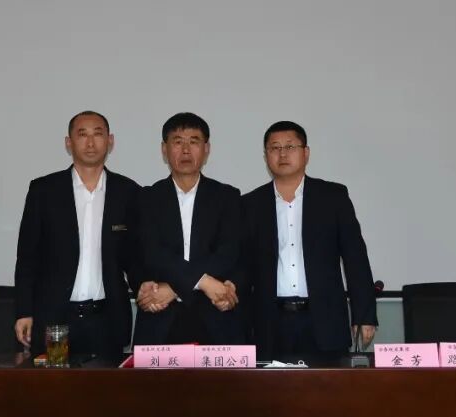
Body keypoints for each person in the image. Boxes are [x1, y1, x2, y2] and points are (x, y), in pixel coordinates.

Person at [242, 121, 377, 360]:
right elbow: (242, 265)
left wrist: (363, 315)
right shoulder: (250, 204)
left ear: (306, 153)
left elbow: (355, 257)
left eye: (290, 146)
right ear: (266, 156)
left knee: (327, 384)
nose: (282, 154)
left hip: (324, 319)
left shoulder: (333, 197)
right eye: (275, 148)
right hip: (270, 322)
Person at [14, 111, 141, 360]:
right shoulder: (44, 191)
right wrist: (23, 311)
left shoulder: (128, 192)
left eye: (98, 134)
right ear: (68, 143)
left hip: (106, 320)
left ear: (110, 141)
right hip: (55, 320)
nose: (90, 142)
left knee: (105, 385)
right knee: (54, 384)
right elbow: (27, 257)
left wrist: (146, 287)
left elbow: (135, 256)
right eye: (82, 135)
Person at [134, 112, 242, 345]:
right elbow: (152, 253)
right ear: (164, 149)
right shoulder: (146, 198)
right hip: (160, 318)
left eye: (194, 142)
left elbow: (228, 253)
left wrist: (174, 289)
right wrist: (204, 281)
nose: (185, 150)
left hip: (215, 316)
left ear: (206, 149)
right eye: (177, 142)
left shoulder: (227, 197)